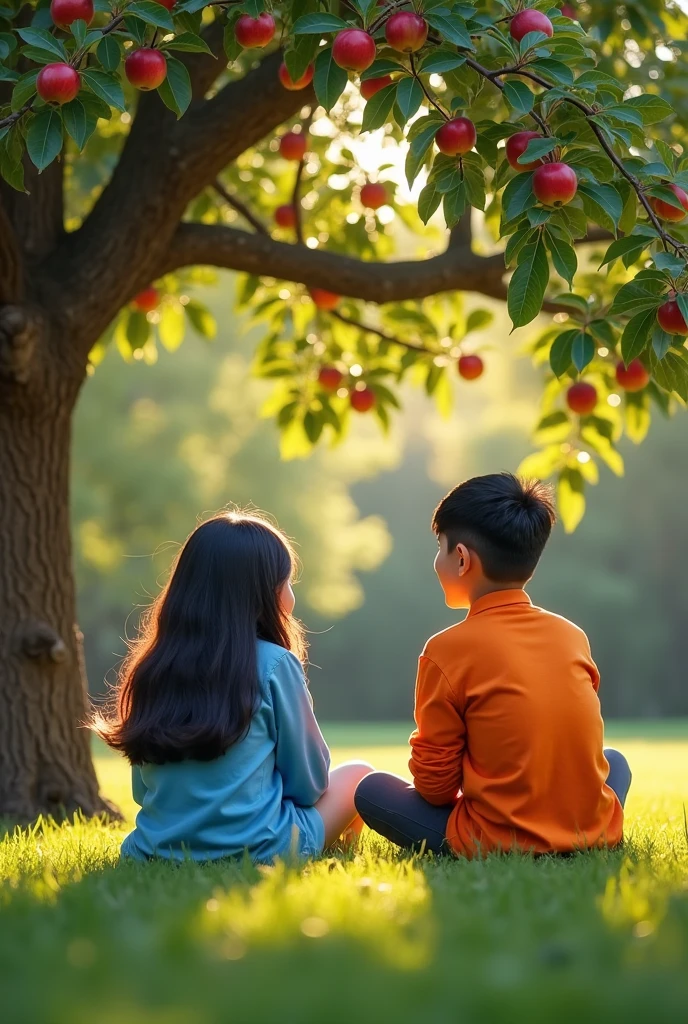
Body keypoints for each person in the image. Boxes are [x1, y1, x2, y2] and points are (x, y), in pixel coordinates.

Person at [355, 473, 631, 858]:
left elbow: (435, 788)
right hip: (591, 830)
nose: (437, 561)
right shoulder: (573, 635)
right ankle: (579, 830)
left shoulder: (445, 649)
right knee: (615, 762)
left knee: (370, 790)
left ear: (463, 558)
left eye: (441, 547)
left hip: (498, 839)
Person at [94, 511, 372, 863]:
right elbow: (310, 784)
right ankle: (333, 854)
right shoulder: (274, 663)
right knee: (359, 776)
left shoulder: (154, 665)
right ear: (263, 594)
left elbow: (142, 791)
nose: (291, 595)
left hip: (154, 849)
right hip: (261, 847)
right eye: (287, 583)